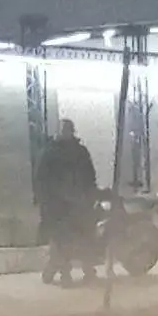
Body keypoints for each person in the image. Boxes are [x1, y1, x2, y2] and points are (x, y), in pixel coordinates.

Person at [35, 119, 99, 286]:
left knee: (84, 239)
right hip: (59, 207)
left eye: (68, 130)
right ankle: (65, 274)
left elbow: (90, 176)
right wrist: (46, 204)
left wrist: (90, 197)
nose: (66, 133)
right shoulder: (49, 153)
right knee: (62, 242)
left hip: (79, 206)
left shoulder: (80, 152)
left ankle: (88, 271)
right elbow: (42, 181)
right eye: (64, 130)